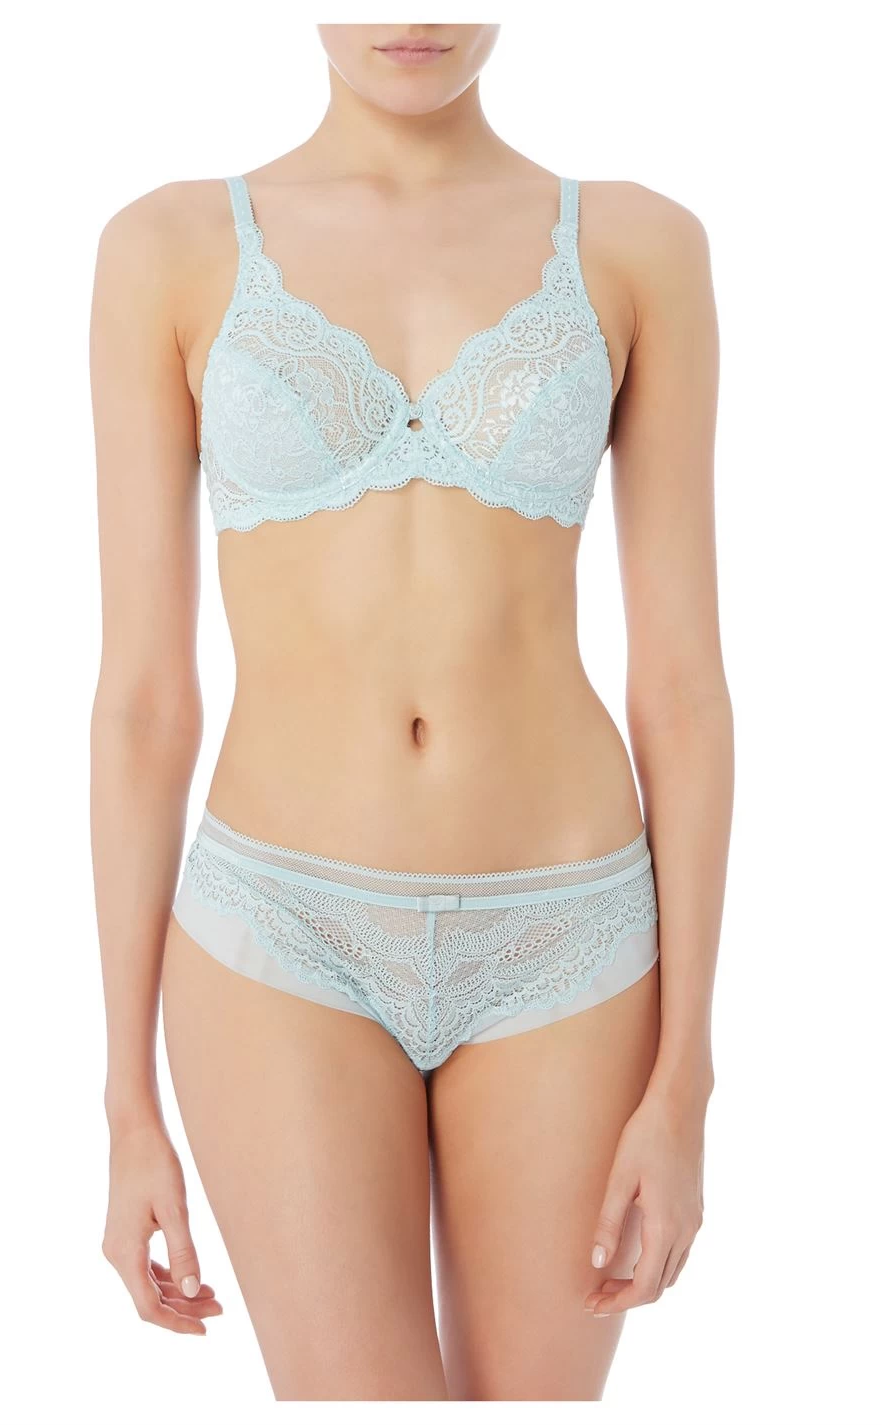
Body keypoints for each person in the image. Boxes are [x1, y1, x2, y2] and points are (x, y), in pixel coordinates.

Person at [87, 22, 731, 1401]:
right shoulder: (169, 248)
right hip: (283, 930)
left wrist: (687, 1077)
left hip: (568, 934)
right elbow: (142, 699)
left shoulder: (639, 247)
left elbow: (681, 686)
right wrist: (125, 1100)